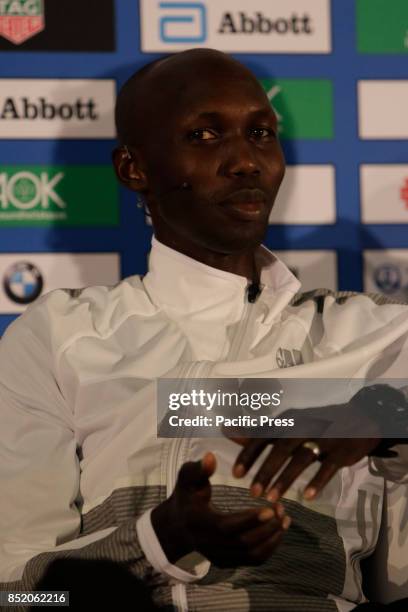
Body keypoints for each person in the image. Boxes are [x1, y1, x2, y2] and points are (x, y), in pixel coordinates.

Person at [1, 48, 408, 612]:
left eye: (261, 132)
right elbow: (21, 597)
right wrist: (159, 540)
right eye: (205, 136)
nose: (246, 160)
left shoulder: (378, 333)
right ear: (133, 169)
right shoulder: (57, 335)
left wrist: (385, 417)